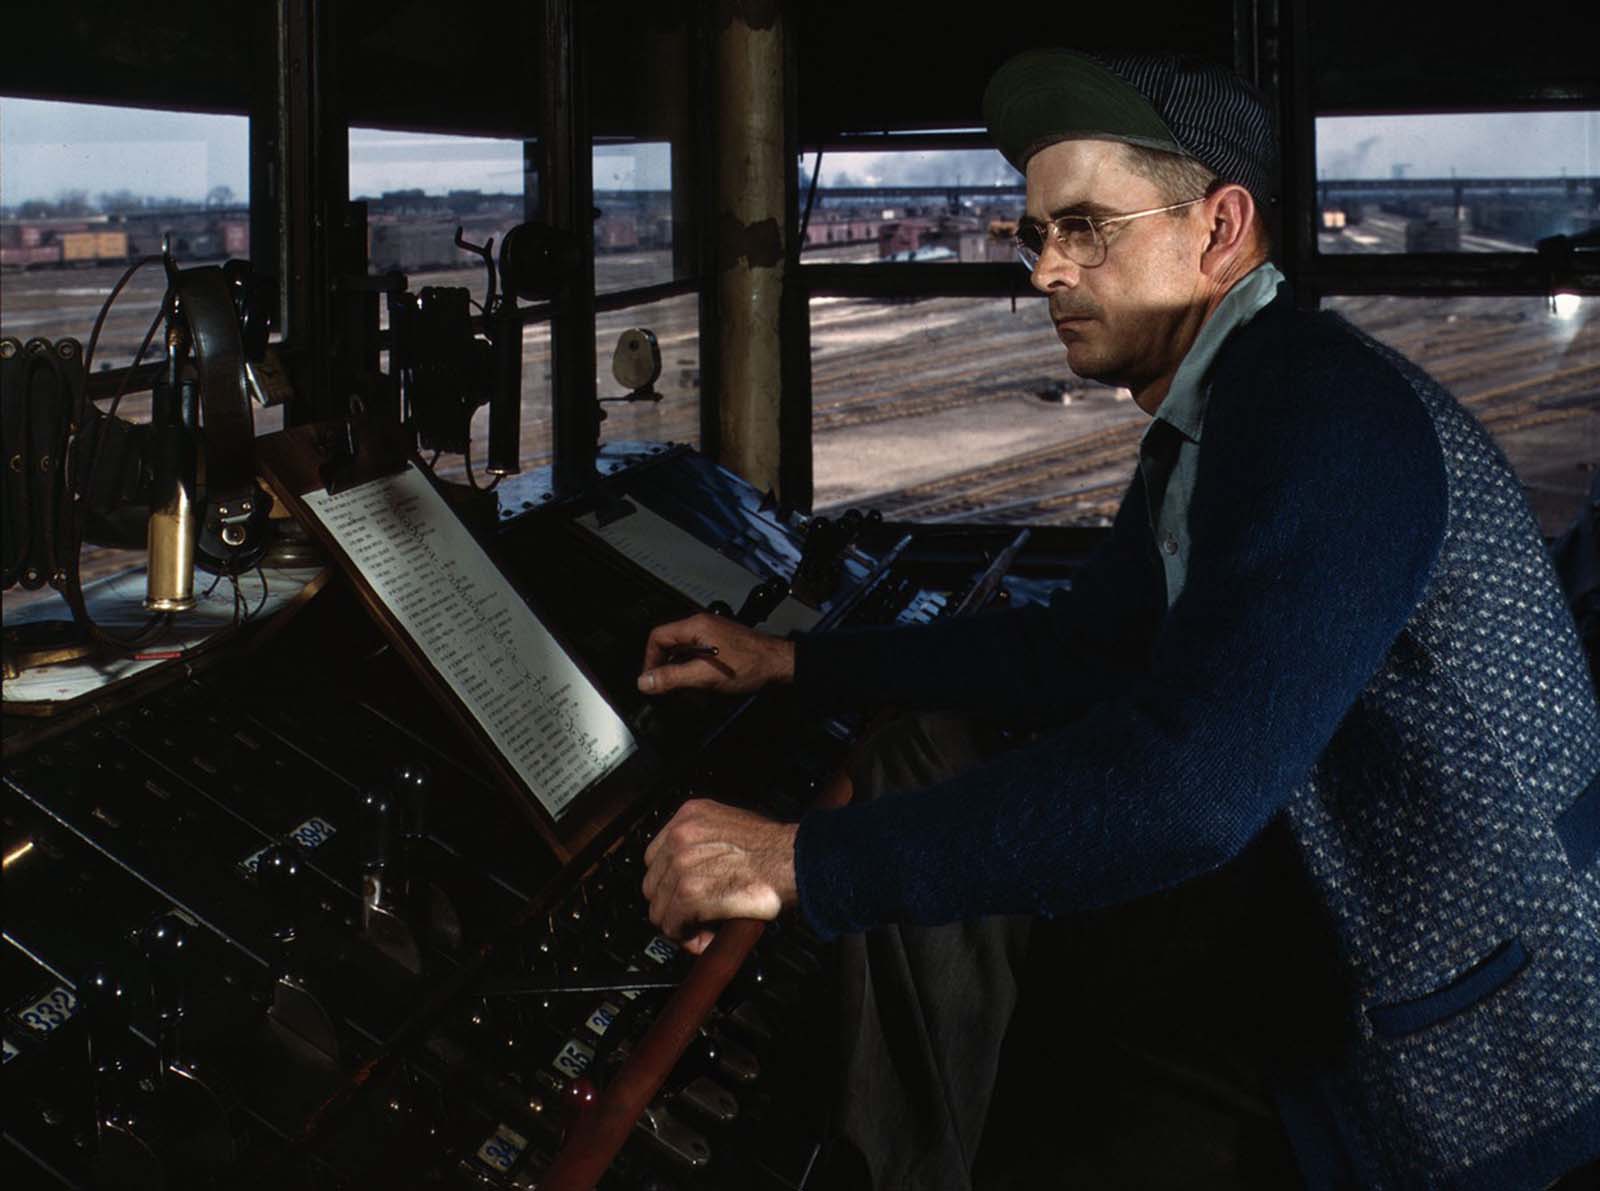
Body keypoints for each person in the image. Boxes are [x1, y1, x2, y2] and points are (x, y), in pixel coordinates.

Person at [637, 48, 1600, 1190]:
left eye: (1085, 227)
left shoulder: (1317, 417)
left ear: (1220, 228)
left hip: (1465, 1036)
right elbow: (1083, 649)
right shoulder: (1225, 409)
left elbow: (1189, 793)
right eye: (1035, 233)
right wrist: (793, 663)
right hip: (1331, 921)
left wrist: (802, 860)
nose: (1045, 271)